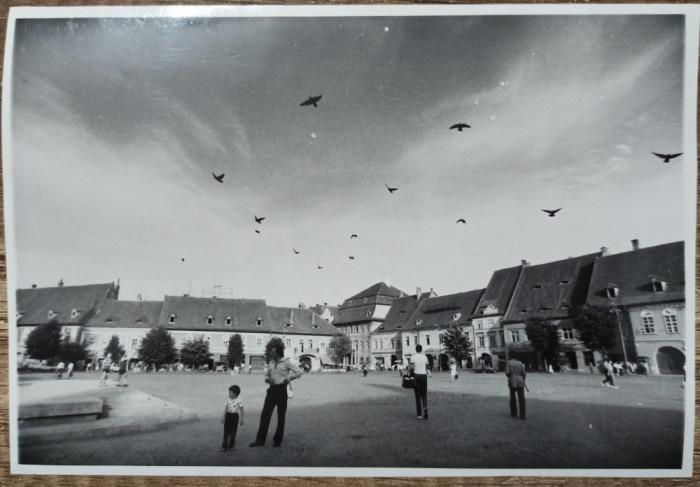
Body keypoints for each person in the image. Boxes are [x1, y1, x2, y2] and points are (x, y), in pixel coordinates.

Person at [249, 338, 302, 448]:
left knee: (281, 416)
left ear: (278, 353)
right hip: (271, 391)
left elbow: (299, 372)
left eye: (273, 352)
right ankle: (260, 440)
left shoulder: (286, 362)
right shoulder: (270, 362)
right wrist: (268, 379)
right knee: (265, 415)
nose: (271, 353)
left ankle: (277, 440)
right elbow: (267, 376)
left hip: (282, 390)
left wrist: (288, 378)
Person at [410, 345, 431, 420]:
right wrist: (429, 374)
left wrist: (410, 375)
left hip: (416, 376)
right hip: (424, 376)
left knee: (418, 396)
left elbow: (411, 367)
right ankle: (425, 410)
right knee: (424, 394)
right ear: (421, 350)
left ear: (416, 350)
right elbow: (427, 367)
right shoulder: (425, 357)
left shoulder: (413, 357)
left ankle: (419, 414)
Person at [221, 384, 245, 451]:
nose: (229, 393)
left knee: (233, 432)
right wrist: (223, 416)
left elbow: (242, 409)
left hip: (235, 417)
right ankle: (224, 447)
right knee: (226, 432)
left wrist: (242, 418)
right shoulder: (228, 400)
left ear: (235, 393)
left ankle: (231, 446)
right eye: (229, 392)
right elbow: (226, 408)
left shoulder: (239, 400)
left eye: (230, 392)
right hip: (228, 416)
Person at [506, 355, 527, 420]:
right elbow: (524, 373)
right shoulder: (520, 363)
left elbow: (507, 372)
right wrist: (522, 379)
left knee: (512, 398)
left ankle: (514, 413)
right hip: (520, 381)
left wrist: (510, 377)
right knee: (522, 398)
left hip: (512, 381)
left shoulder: (508, 363)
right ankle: (522, 415)